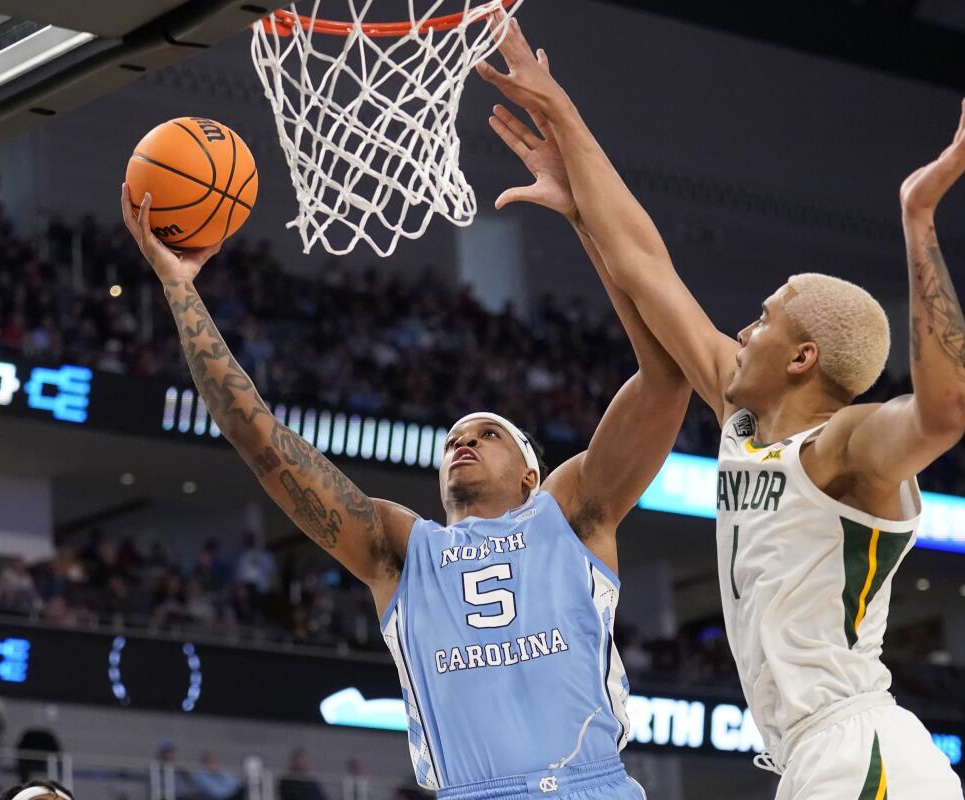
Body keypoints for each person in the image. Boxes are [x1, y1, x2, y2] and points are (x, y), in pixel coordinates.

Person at [478, 17, 965, 799]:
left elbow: (944, 413)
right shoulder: (742, 420)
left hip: (864, 753)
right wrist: (571, 150)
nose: (743, 329)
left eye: (764, 317)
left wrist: (919, 221)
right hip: (816, 761)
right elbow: (647, 268)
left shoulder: (846, 450)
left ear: (801, 358)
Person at [120, 143, 690, 799]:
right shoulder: (400, 549)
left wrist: (586, 216)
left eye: (488, 435)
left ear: (532, 476)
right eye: (454, 438)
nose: (464, 442)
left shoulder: (570, 515)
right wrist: (179, 288)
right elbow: (260, 439)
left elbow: (666, 377)